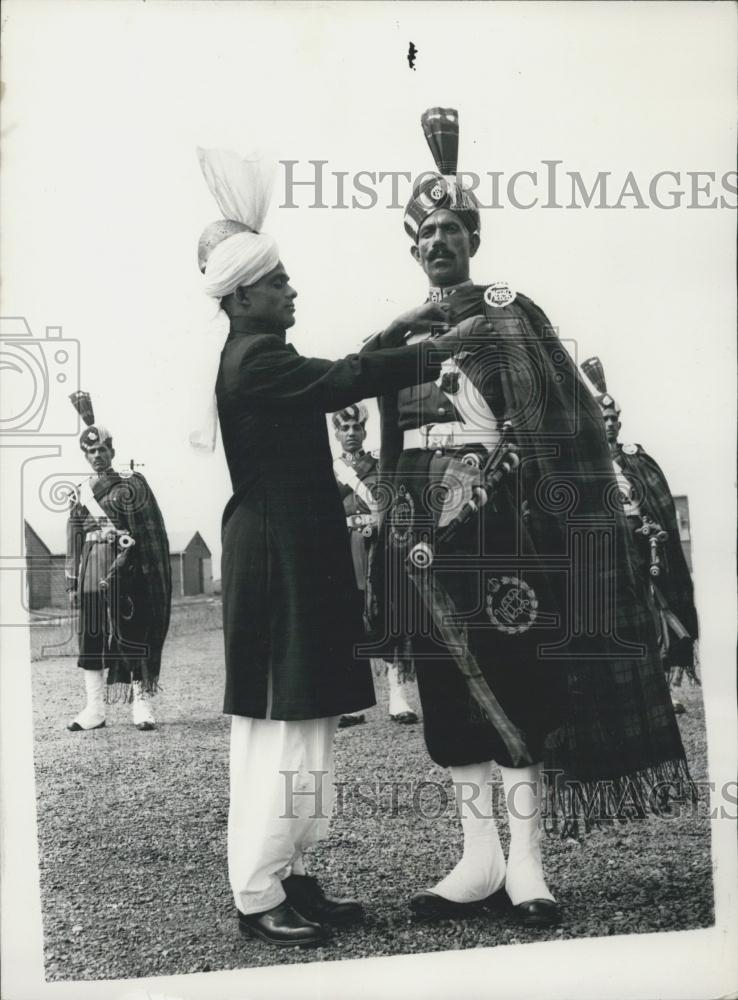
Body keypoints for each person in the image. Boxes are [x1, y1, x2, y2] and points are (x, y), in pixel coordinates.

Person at [365, 108, 694, 929]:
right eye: (426, 232)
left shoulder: (510, 312)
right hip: (426, 549)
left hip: (506, 535)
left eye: (452, 228)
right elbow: (394, 440)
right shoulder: (400, 336)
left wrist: (502, 471)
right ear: (412, 248)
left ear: (473, 238)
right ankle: (477, 864)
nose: (440, 241)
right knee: (448, 700)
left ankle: (530, 869)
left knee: (517, 692)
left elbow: (558, 422)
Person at [194, 147, 459, 947]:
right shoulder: (257, 361)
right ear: (244, 296)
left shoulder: (256, 355)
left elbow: (334, 369)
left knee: (306, 722)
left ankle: (288, 873)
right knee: (280, 728)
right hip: (276, 568)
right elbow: (336, 380)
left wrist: (396, 329)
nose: (292, 288)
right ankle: (254, 891)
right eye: (278, 282)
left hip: (291, 562)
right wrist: (431, 350)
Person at [582, 358, 700, 714]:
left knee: (656, 619)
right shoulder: (583, 464)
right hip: (607, 553)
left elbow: (659, 503)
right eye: (604, 419)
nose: (611, 424)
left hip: (645, 548)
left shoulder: (636, 458)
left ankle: (663, 689)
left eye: (615, 418)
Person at [65, 392, 171, 732]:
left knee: (131, 635)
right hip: (93, 572)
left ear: (113, 450)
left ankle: (141, 705)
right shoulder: (81, 492)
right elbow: (74, 538)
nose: (97, 455)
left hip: (127, 570)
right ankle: (94, 709)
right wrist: (71, 582)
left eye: (102, 449)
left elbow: (148, 529)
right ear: (85, 455)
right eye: (91, 451)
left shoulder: (131, 484)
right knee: (91, 638)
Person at [331, 403, 418, 728]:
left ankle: (398, 698)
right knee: (348, 623)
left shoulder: (381, 466)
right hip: (345, 551)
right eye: (344, 429)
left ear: (365, 431)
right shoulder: (331, 471)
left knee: (388, 617)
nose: (351, 434)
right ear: (336, 434)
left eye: (356, 428)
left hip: (379, 549)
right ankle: (352, 703)